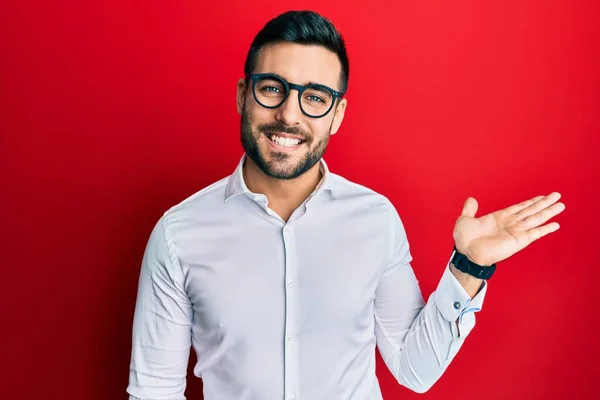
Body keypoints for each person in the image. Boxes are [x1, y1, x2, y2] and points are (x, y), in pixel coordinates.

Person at [126, 10, 565, 400]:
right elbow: (154, 390)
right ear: (244, 94)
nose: (290, 115)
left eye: (314, 97)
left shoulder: (375, 220)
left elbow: (414, 370)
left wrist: (469, 268)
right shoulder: (178, 234)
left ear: (337, 115)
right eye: (273, 88)